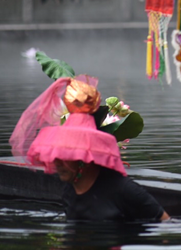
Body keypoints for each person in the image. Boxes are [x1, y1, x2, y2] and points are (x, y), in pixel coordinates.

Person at [10, 76, 169, 222]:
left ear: (83, 156)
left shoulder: (123, 190)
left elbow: (165, 223)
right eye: (56, 153)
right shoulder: (69, 190)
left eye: (65, 153)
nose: (56, 161)